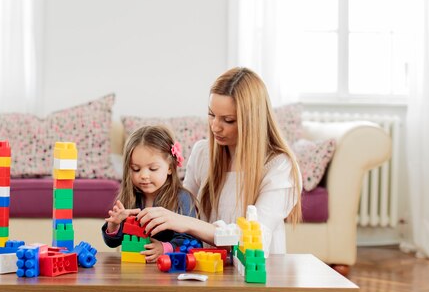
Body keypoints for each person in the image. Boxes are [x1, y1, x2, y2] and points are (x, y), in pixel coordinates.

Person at [137, 67, 303, 255]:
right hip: (207, 271)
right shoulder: (202, 153)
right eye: (211, 114)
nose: (215, 126)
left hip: (255, 276)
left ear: (252, 121)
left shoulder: (280, 166)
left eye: (228, 120)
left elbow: (253, 241)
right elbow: (183, 212)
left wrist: (186, 223)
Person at [101, 125, 200, 262]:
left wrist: (165, 248)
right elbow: (112, 243)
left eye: (153, 169)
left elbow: (191, 240)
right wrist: (114, 225)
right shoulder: (130, 198)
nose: (144, 175)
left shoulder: (182, 198)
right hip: (135, 270)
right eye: (135, 169)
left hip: (170, 272)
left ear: (170, 168)